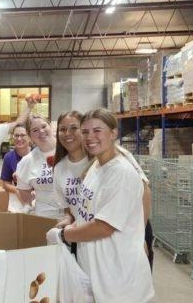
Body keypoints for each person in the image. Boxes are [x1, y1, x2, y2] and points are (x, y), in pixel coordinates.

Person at [46, 108, 154, 302]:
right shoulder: (96, 165)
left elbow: (104, 227)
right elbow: (86, 210)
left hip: (118, 277)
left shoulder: (121, 173)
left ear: (113, 133)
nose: (90, 137)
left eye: (97, 130)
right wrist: (71, 221)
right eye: (86, 131)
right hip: (98, 272)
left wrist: (63, 235)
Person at [15, 114, 65, 219]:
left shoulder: (68, 150)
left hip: (73, 216)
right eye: (35, 130)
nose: (41, 132)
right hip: (44, 217)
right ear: (29, 135)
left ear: (50, 126)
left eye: (43, 126)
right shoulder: (27, 161)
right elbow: (24, 191)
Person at [0, 124, 32, 212]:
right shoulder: (9, 157)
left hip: (39, 199)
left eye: (22, 135)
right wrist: (17, 190)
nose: (19, 139)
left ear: (29, 136)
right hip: (18, 202)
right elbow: (6, 184)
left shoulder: (37, 154)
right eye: (16, 135)